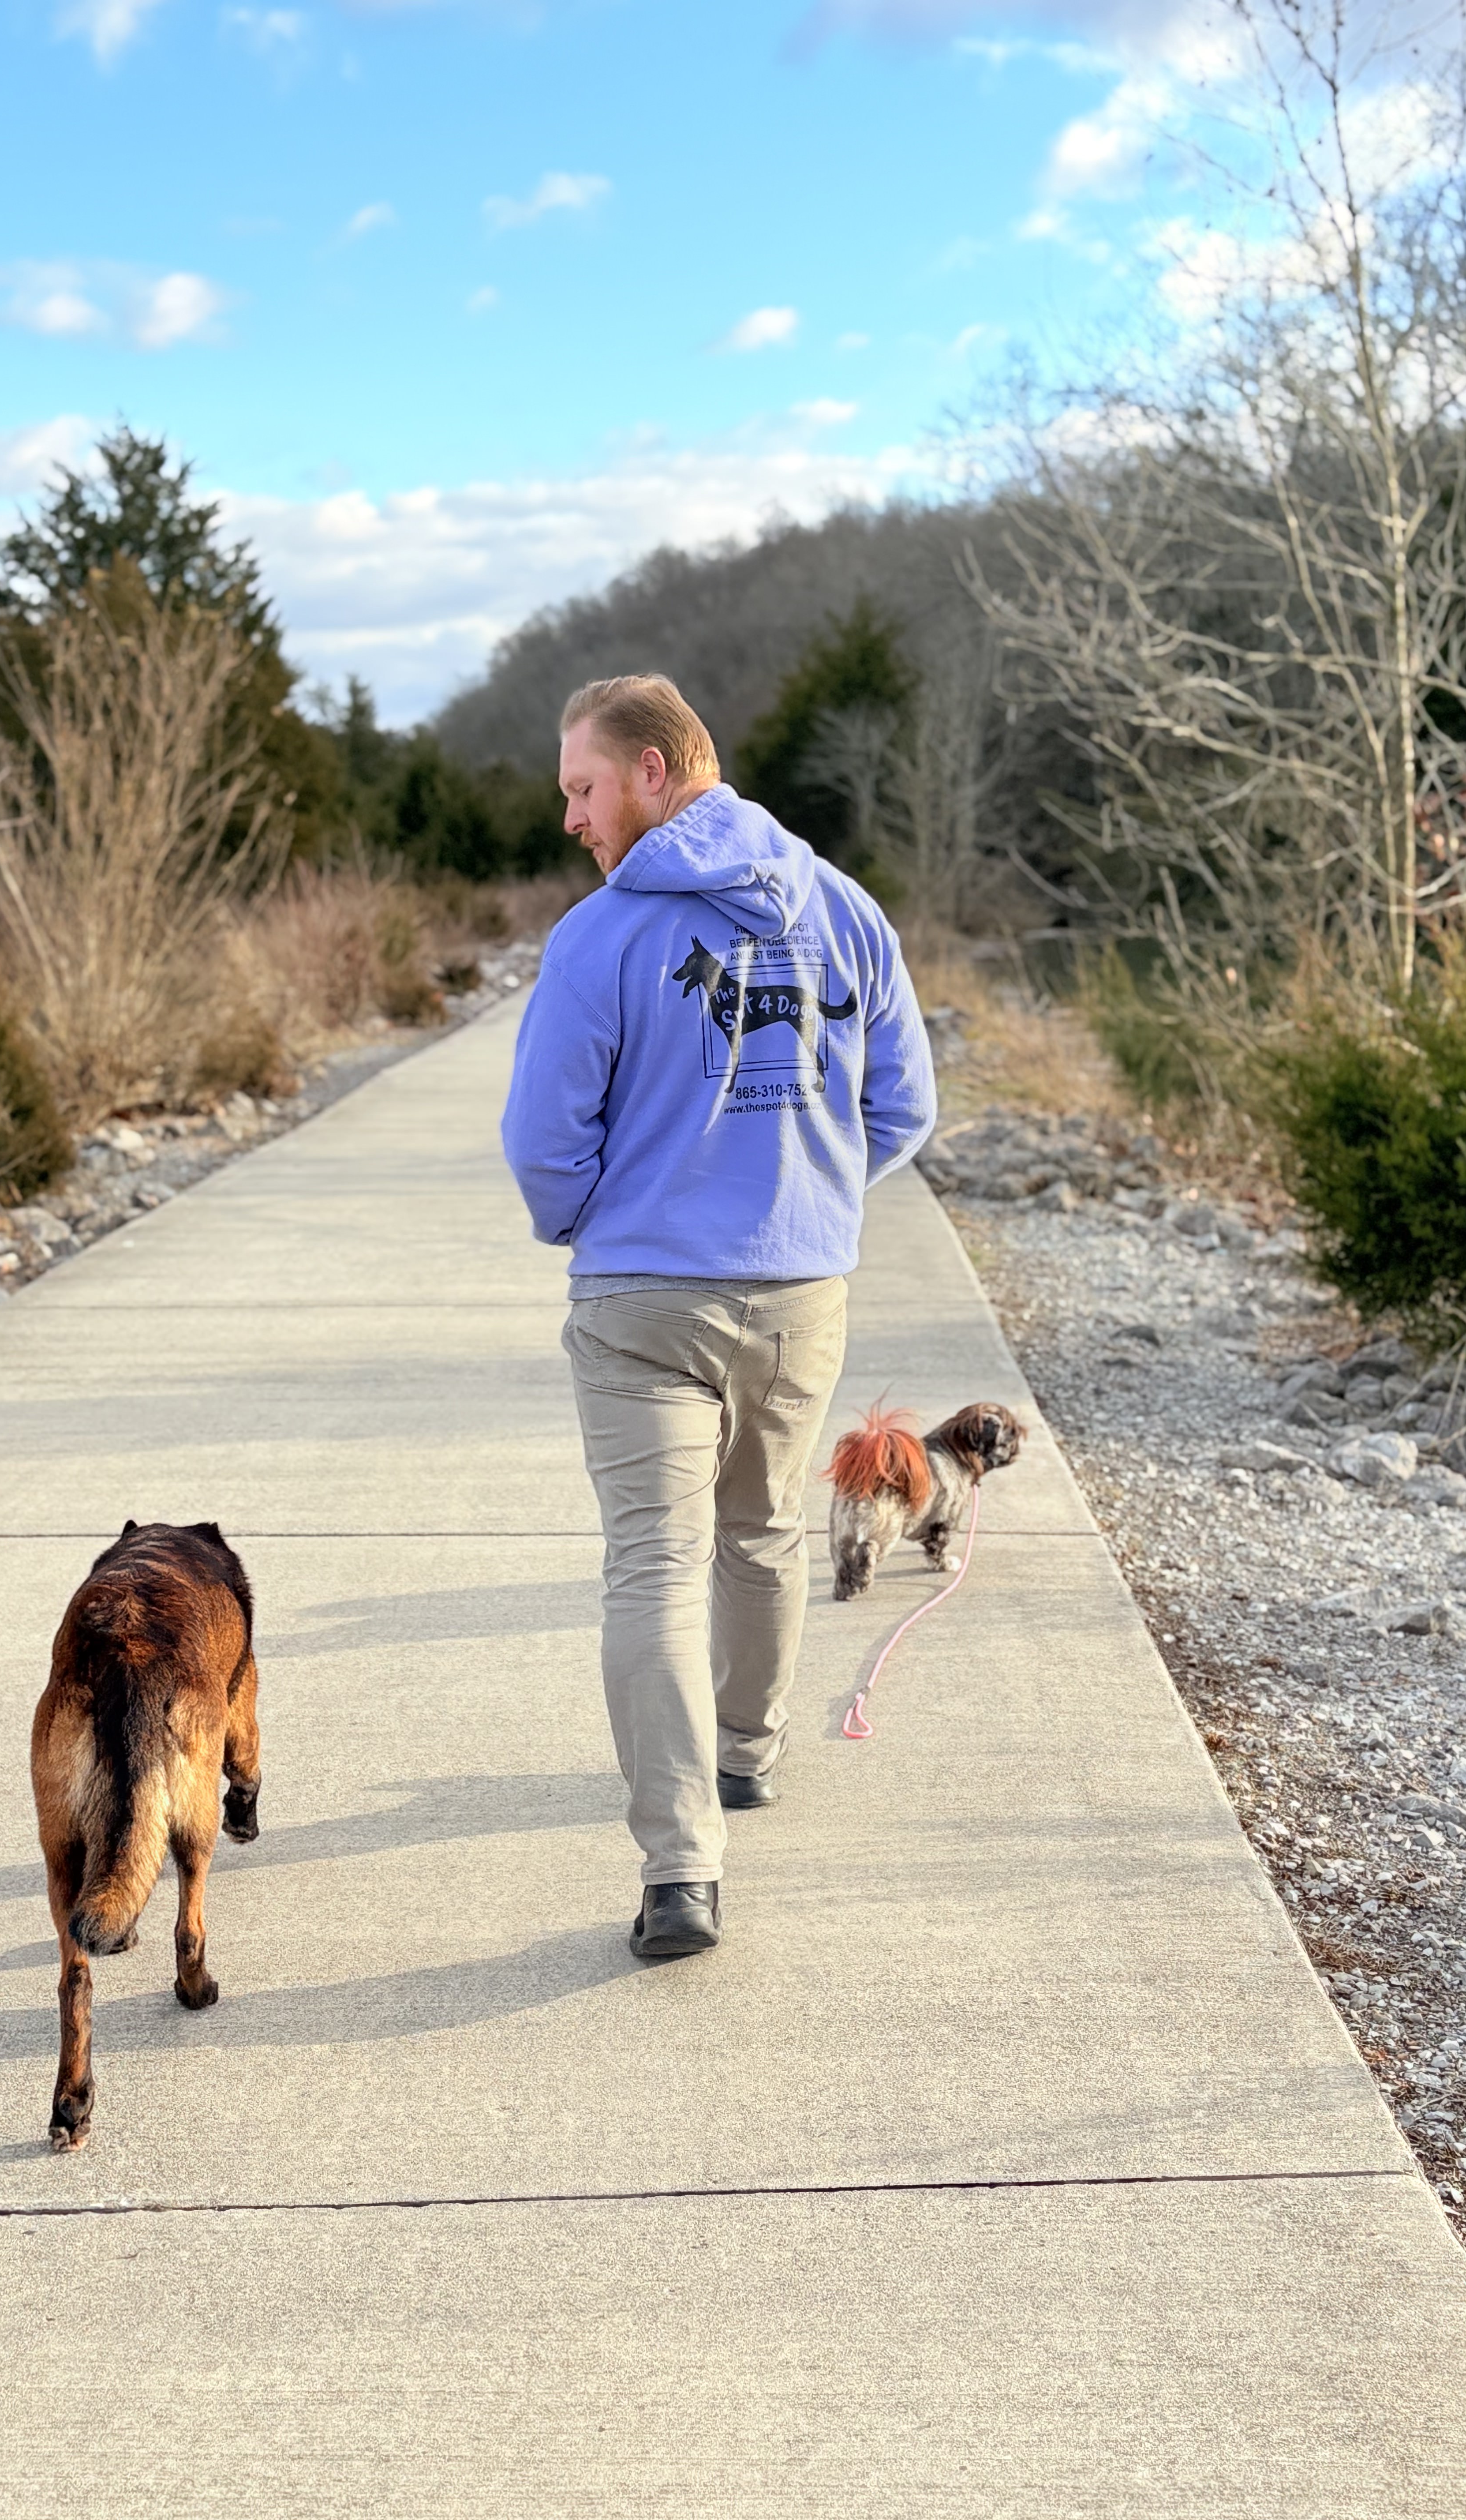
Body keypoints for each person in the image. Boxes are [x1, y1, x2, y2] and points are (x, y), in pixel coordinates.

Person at [501, 674, 937, 1961]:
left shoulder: (597, 940)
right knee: (760, 1534)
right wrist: (803, 1195)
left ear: (650, 770)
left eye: (582, 788)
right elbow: (903, 1108)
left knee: (652, 1562)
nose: (572, 818)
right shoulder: (845, 911)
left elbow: (541, 1144)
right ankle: (746, 1756)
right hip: (800, 1292)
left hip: (640, 1295)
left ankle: (682, 1867)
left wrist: (597, 1214)